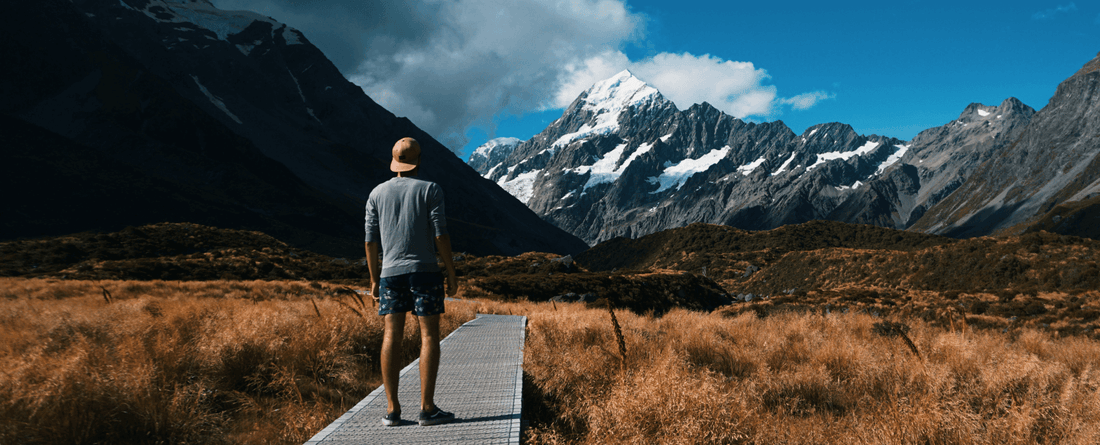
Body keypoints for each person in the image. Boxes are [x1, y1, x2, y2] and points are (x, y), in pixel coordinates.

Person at [364, 137, 459, 427]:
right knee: (428, 336)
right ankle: (427, 408)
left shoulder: (376, 193)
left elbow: (370, 241)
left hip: (389, 274)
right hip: (425, 272)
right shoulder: (431, 190)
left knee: (391, 335)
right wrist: (451, 272)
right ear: (419, 160)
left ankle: (392, 410)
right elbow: (440, 234)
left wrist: (373, 279)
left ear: (394, 162)